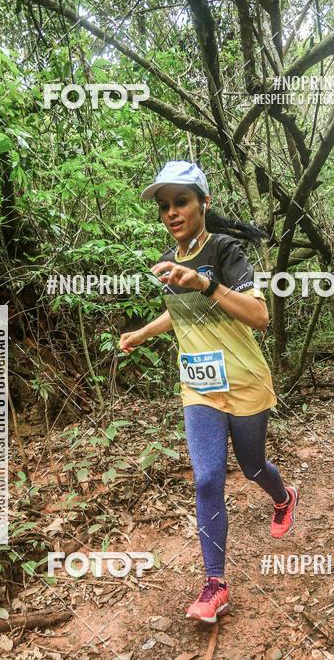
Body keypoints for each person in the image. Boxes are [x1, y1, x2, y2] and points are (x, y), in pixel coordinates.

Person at [119, 161, 297, 624]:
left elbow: (259, 316)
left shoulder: (226, 250)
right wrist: (142, 332)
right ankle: (215, 583)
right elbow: (182, 313)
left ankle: (283, 497)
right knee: (206, 479)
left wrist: (205, 281)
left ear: (203, 203)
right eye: (165, 206)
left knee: (253, 464)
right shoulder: (172, 257)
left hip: (244, 380)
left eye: (181, 202)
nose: (172, 213)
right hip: (199, 386)